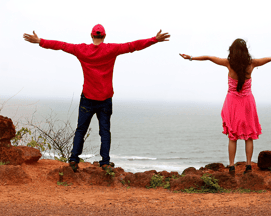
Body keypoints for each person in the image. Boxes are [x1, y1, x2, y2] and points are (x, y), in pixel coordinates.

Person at [23, 25, 170, 172]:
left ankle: (74, 160)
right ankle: (105, 162)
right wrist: (154, 40)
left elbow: (61, 45)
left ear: (91, 35)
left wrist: (40, 41)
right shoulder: (111, 49)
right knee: (105, 131)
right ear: (104, 36)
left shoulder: (81, 50)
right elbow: (133, 46)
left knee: (81, 129)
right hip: (105, 98)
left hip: (87, 97)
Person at [180, 39, 271, 174]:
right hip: (248, 102)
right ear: (245, 51)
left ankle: (231, 166)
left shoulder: (228, 63)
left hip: (232, 102)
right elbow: (270, 59)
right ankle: (248, 166)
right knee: (249, 136)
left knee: (233, 136)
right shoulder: (252, 63)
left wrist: (190, 57)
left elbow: (209, 58)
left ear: (233, 50)